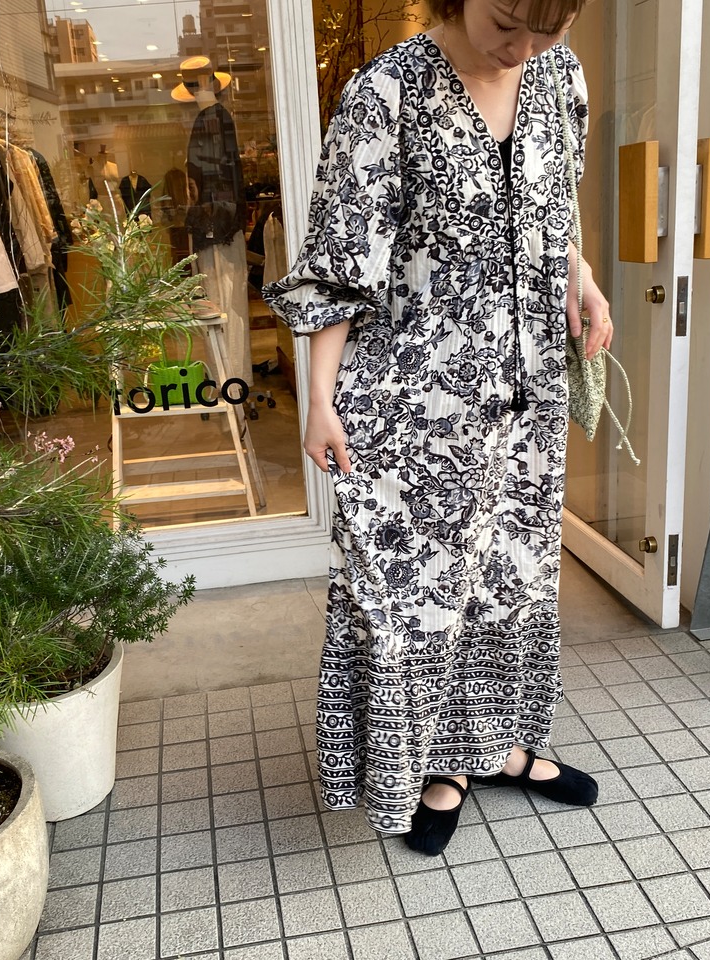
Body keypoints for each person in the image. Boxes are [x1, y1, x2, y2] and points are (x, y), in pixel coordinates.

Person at [263, 0, 613, 856]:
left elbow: (554, 212)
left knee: (506, 579)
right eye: (507, 21)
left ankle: (496, 748)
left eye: (550, 27)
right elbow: (340, 263)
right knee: (420, 597)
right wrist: (319, 398)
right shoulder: (387, 92)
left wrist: (584, 281)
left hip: (526, 404)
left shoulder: (561, 79)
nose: (524, 47)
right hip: (412, 413)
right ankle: (433, 767)